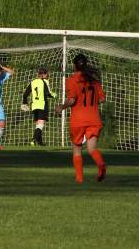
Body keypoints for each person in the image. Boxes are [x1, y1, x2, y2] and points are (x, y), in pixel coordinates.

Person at [56, 54, 106, 183]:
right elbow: (102, 99)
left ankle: (79, 179)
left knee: (77, 149)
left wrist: (61, 107)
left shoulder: (72, 80)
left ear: (74, 65)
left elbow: (72, 100)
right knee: (92, 149)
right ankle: (100, 164)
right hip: (94, 119)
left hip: (78, 120)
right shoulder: (94, 81)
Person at [21, 67, 57, 146]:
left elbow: (25, 94)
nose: (48, 75)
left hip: (34, 106)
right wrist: (55, 95)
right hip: (42, 105)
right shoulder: (45, 81)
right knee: (41, 124)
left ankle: (39, 142)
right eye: (47, 74)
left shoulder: (33, 82)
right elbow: (48, 93)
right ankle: (33, 139)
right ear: (44, 74)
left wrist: (24, 103)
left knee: (38, 124)